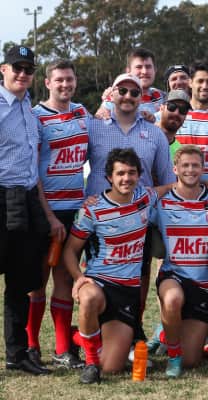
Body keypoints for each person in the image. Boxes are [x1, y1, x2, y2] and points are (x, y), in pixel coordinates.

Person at [63, 148, 171, 383]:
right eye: (120, 173)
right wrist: (79, 277)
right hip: (99, 284)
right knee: (89, 298)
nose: (126, 178)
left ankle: (77, 336)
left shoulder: (145, 197)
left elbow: (174, 186)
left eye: (131, 173)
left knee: (112, 367)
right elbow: (70, 250)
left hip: (127, 292)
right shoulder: (91, 209)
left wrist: (206, 183)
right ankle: (90, 363)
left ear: (139, 175)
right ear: (109, 177)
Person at [86, 72, 176, 342]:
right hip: (98, 220)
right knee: (96, 278)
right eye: (122, 91)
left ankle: (133, 328)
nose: (128, 96)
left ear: (141, 97)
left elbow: (168, 181)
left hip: (139, 221)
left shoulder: (154, 133)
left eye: (134, 92)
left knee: (139, 277)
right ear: (111, 93)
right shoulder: (93, 126)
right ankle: (94, 334)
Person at [28, 59, 88, 369]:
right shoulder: (36, 117)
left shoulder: (82, 113)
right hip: (45, 210)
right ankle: (31, 345)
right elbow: (32, 170)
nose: (65, 84)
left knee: (64, 277)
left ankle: (63, 349)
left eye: (69, 79)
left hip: (74, 210)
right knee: (38, 279)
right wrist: (48, 214)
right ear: (48, 83)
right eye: (59, 80)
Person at [0, 45, 53, 375]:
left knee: (21, 281)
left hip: (27, 199)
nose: (22, 74)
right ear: (2, 69)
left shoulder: (29, 109)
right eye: (16, 67)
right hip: (0, 196)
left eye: (28, 69)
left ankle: (17, 354)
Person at [152, 145, 208, 378]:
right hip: (174, 275)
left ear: (203, 169)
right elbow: (132, 204)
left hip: (203, 286)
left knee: (192, 360)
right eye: (185, 165)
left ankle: (164, 333)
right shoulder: (162, 202)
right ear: (175, 169)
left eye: (195, 165)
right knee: (173, 298)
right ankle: (173, 356)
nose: (190, 170)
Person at [96, 48, 165, 119]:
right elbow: (99, 119)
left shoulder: (161, 95)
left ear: (155, 70)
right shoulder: (114, 98)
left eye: (148, 67)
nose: (144, 71)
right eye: (139, 67)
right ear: (128, 71)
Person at [157, 89, 191, 161]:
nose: (176, 113)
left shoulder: (180, 153)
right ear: (161, 108)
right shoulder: (145, 137)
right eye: (172, 107)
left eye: (183, 110)